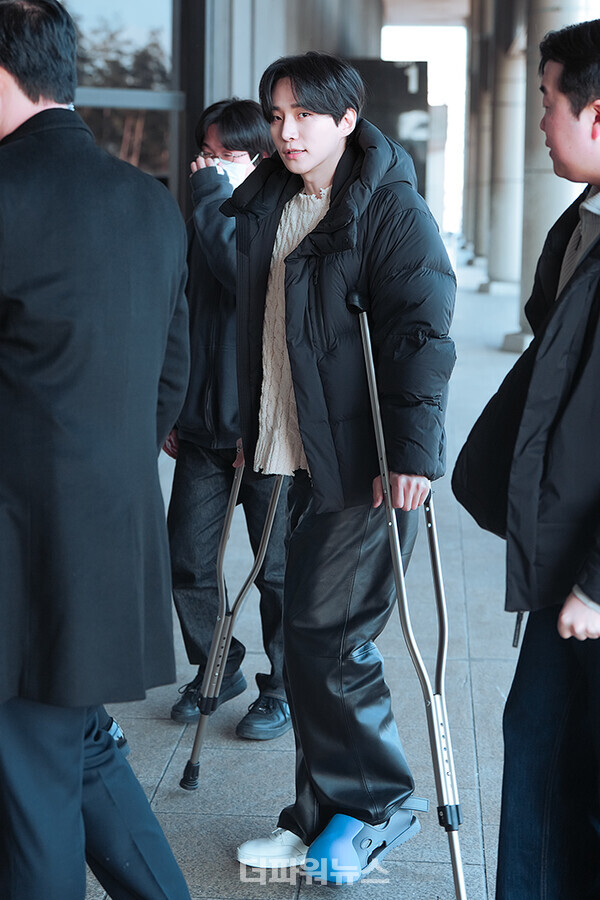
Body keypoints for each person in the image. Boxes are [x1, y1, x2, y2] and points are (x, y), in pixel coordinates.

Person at [224, 51, 456, 883]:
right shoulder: (273, 204)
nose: (287, 131)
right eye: (277, 115)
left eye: (305, 115)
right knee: (309, 639)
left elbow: (422, 334)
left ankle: (374, 809)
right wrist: (257, 424)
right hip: (298, 452)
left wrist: (414, 456)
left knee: (330, 637)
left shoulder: (388, 210)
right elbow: (263, 335)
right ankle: (316, 817)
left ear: (348, 120)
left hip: (367, 463)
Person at [0, 2, 191, 898]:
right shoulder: (149, 201)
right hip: (114, 529)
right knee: (78, 747)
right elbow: (171, 373)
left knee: (29, 776)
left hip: (18, 550)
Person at [486, 20, 600, 899]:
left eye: (548, 103)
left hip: (589, 579)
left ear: (595, 116)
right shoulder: (581, 225)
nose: (540, 125)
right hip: (563, 552)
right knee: (540, 751)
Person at [165, 99, 292, 740]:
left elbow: (237, 271)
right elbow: (178, 311)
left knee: (275, 570)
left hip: (266, 431)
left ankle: (285, 688)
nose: (208, 166)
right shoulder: (204, 214)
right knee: (186, 557)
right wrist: (174, 408)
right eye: (205, 154)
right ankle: (218, 666)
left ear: (259, 158)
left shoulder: (276, 214)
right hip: (201, 427)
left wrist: (210, 195)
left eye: (223, 155)